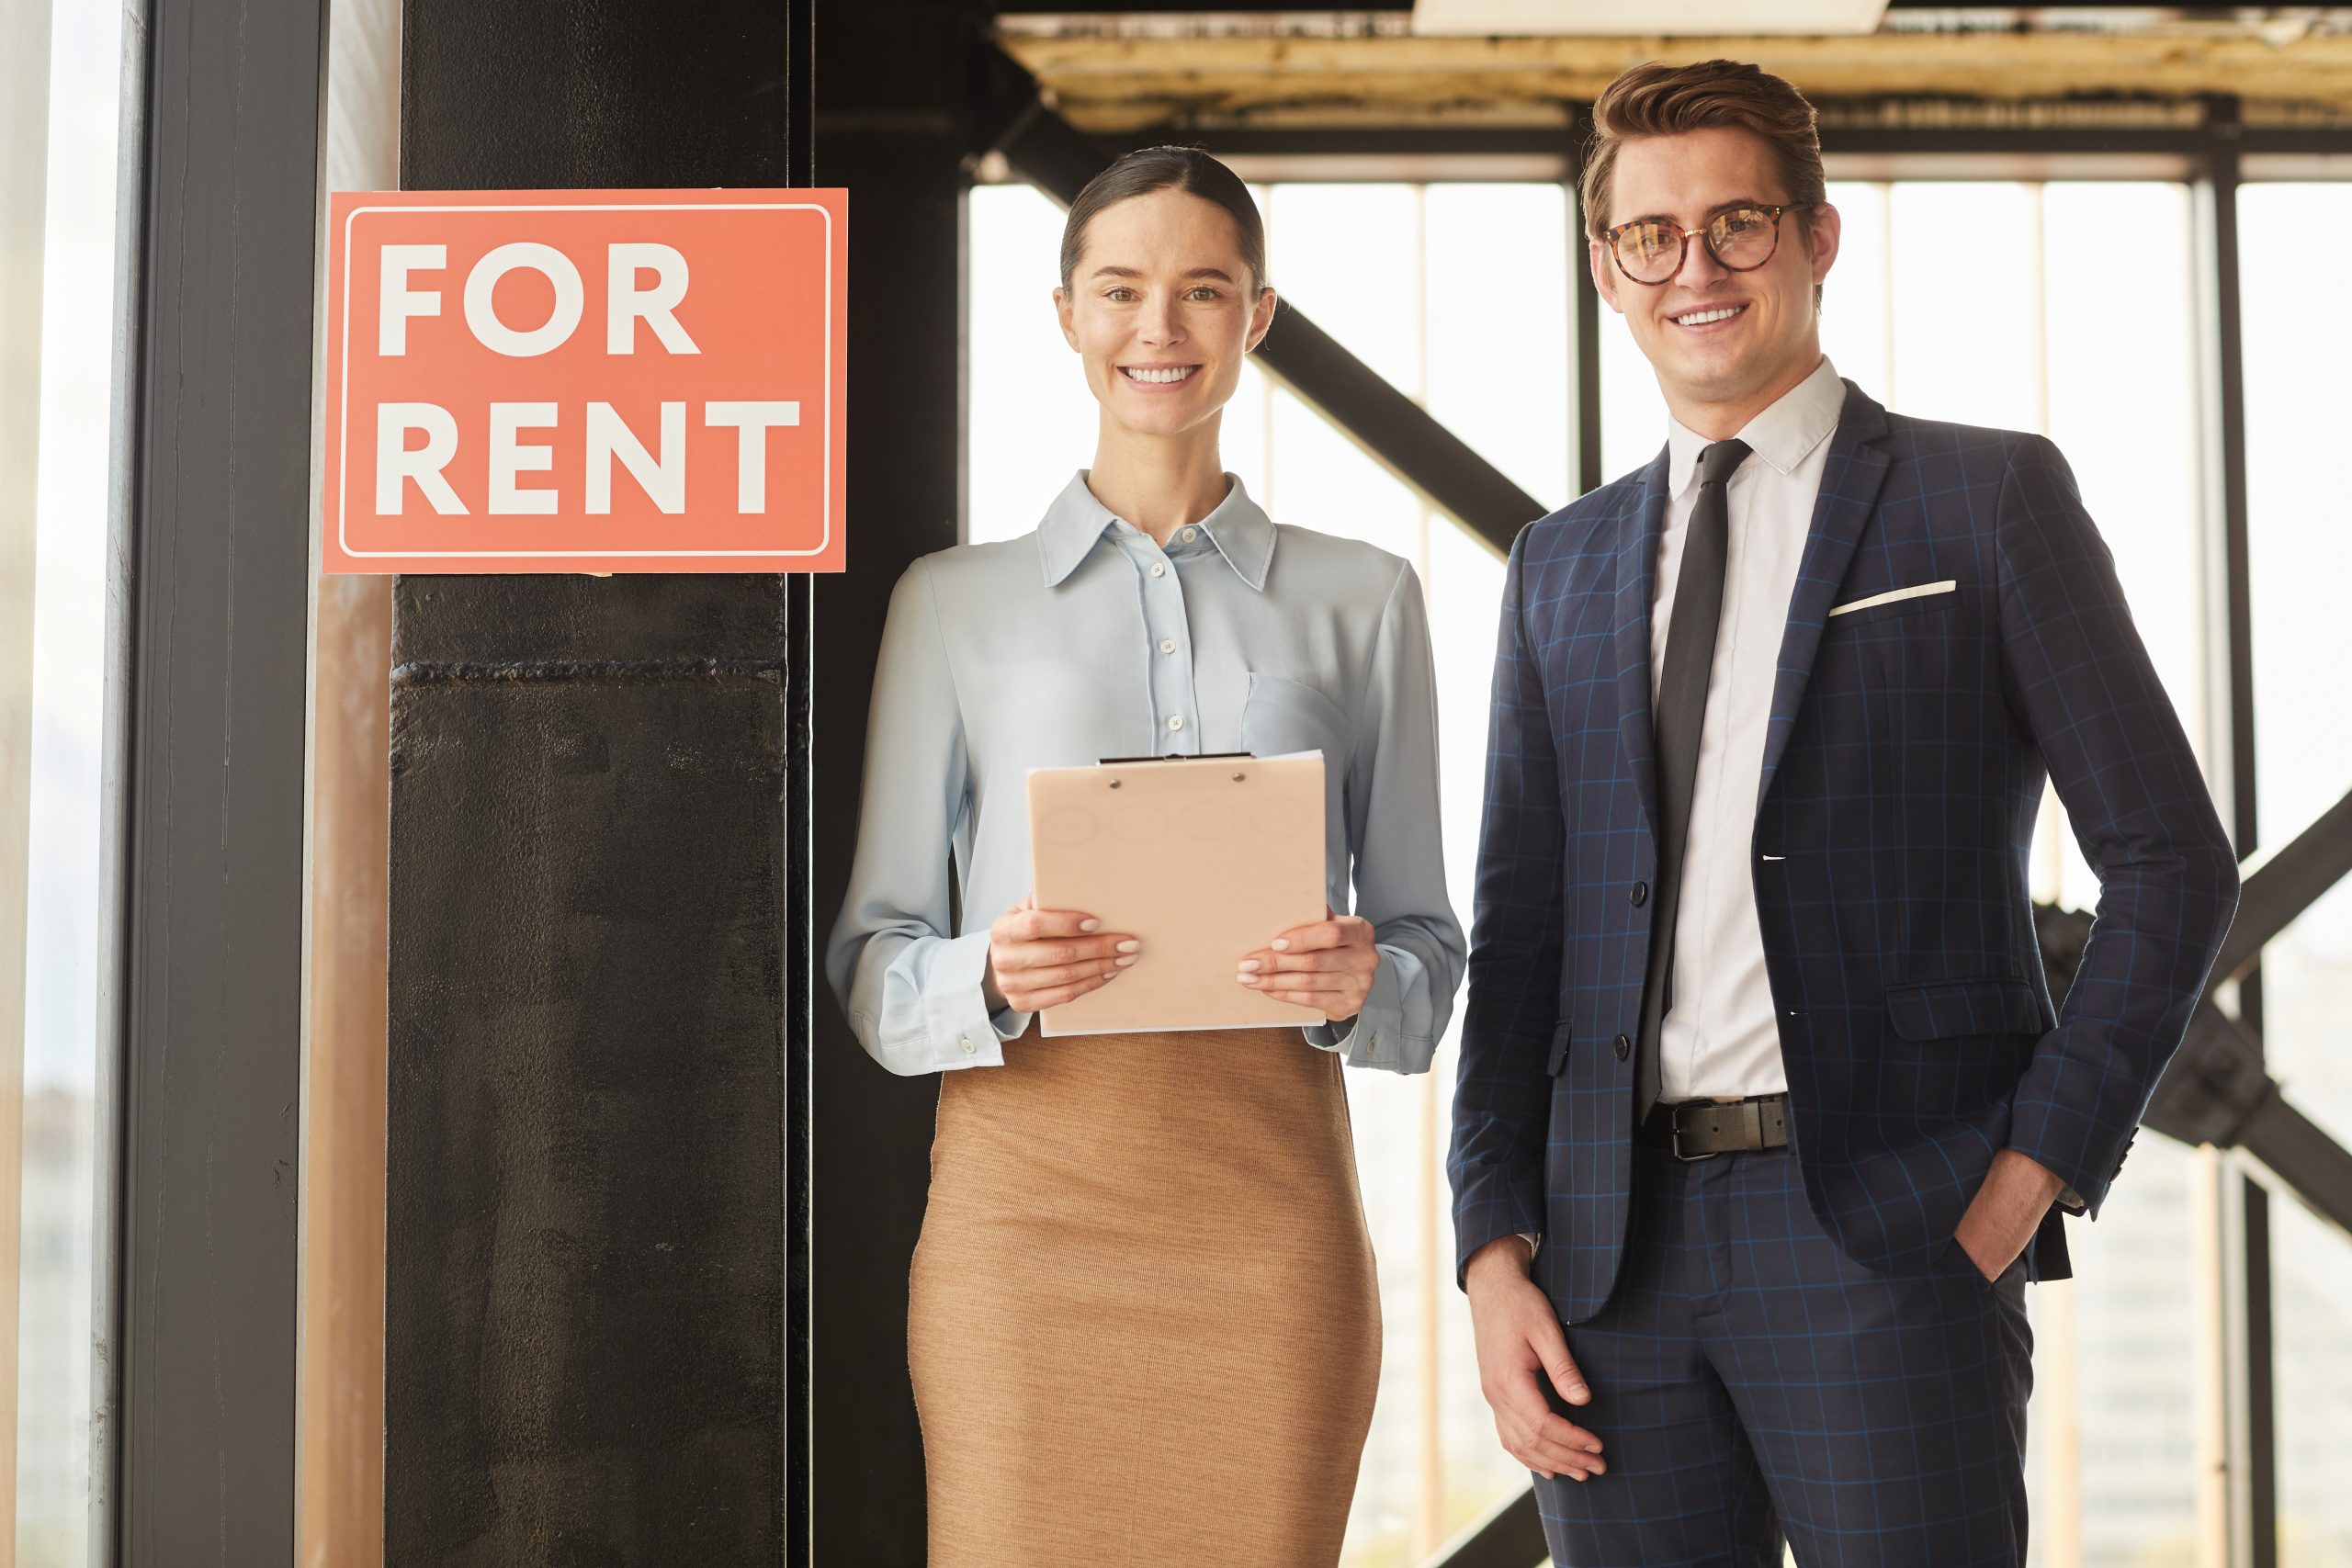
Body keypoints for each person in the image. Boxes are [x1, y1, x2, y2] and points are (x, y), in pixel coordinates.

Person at [1448, 59, 2239, 1566]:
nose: (1696, 268)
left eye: (1737, 224)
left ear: (1816, 238)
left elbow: (2170, 861)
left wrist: (2025, 1180)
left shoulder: (1983, 500)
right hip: (1608, 1269)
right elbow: (1525, 933)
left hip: (1888, 1231)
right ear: (1607, 266)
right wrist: (1492, 1253)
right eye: (1653, 235)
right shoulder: (1563, 563)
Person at [827, 145, 1465, 1567]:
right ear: (1066, 314)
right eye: (1120, 289)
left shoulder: (1369, 599)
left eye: (1202, 291)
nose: (1158, 328)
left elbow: (1426, 951)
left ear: (1258, 316)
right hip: (1023, 1227)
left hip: (1269, 1221)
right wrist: (984, 973)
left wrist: (1359, 979)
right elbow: (874, 966)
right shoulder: (952, 605)